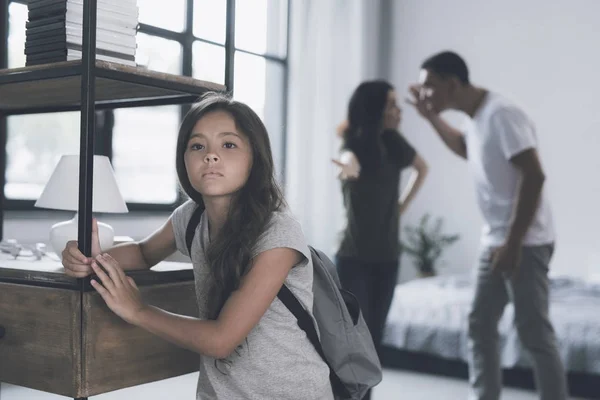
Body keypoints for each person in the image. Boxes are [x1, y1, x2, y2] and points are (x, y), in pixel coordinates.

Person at [61, 92, 334, 400]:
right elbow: (142, 252)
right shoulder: (190, 217)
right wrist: (92, 257)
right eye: (197, 146)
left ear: (254, 158)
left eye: (228, 145)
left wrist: (138, 310)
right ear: (184, 159)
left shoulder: (278, 232)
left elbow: (221, 340)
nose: (210, 156)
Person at [407, 50, 568, 400]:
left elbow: (534, 176)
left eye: (430, 87)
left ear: (453, 84)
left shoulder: (502, 114)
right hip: (495, 239)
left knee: (534, 334)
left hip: (525, 241)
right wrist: (430, 117)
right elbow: (466, 147)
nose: (425, 94)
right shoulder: (476, 118)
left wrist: (512, 244)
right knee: (480, 327)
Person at [333, 80, 428, 400]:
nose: (399, 111)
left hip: (388, 258)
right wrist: (347, 166)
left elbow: (422, 168)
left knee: (373, 343)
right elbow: (347, 161)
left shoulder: (395, 143)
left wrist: (401, 206)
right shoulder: (353, 146)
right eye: (392, 105)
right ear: (375, 110)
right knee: (353, 343)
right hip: (354, 259)